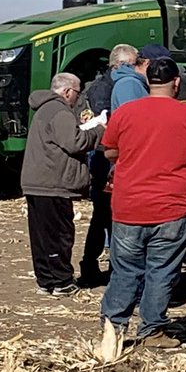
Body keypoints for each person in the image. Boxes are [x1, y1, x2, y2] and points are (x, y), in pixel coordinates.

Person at [100, 58, 186, 349]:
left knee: (125, 270)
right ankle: (151, 330)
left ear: (147, 80)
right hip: (172, 207)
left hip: (129, 205)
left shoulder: (126, 113)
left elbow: (109, 151)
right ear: (176, 83)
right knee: (161, 271)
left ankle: (112, 328)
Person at [21, 72, 104, 296]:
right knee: (59, 234)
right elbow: (75, 142)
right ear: (68, 91)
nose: (77, 98)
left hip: (37, 182)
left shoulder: (44, 110)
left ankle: (45, 280)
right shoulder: (60, 111)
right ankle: (62, 281)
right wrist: (99, 130)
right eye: (77, 93)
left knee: (41, 235)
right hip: (53, 183)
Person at [79, 43, 136, 285]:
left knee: (102, 216)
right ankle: (110, 267)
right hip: (107, 158)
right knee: (108, 214)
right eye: (134, 65)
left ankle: (93, 265)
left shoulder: (100, 85)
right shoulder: (110, 89)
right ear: (121, 65)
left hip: (104, 156)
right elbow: (111, 124)